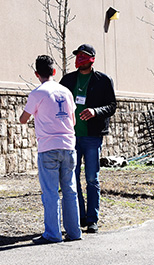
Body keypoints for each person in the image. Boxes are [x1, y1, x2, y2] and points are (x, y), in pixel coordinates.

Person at [20, 55, 81, 244]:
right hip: (69, 145)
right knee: (70, 190)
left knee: (50, 192)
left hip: (48, 147)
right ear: (54, 71)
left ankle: (53, 234)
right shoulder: (66, 92)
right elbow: (74, 120)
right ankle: (74, 232)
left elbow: (23, 118)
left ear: (37, 74)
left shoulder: (37, 93)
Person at [60, 44, 117, 233]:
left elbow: (112, 106)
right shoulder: (67, 80)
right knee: (72, 178)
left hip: (92, 137)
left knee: (92, 178)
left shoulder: (103, 80)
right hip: (71, 137)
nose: (79, 59)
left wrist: (95, 111)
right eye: (77, 56)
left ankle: (93, 219)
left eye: (84, 56)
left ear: (92, 59)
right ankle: (79, 216)